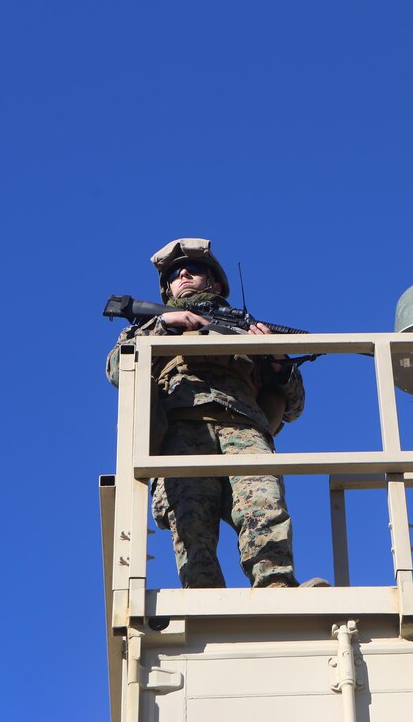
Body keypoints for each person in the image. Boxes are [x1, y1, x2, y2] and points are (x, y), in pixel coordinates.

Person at [107, 238, 322, 589]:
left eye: (194, 269)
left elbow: (294, 407)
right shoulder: (148, 327)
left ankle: (276, 586)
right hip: (181, 428)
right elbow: (118, 369)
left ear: (217, 284)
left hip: (244, 426)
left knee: (264, 508)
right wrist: (165, 327)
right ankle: (202, 601)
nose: (184, 274)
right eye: (175, 273)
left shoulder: (245, 329)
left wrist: (279, 362)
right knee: (193, 526)